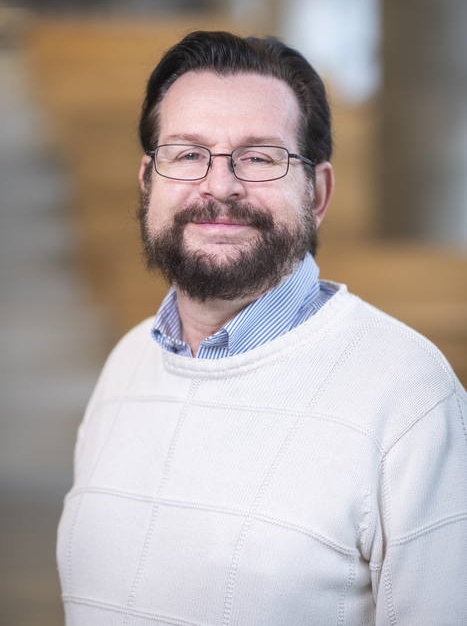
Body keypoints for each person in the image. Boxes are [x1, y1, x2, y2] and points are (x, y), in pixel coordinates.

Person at [57, 31, 467, 625]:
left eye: (259, 156)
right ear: (149, 181)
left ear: (317, 193)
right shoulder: (126, 362)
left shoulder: (409, 395)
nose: (219, 186)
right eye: (187, 153)